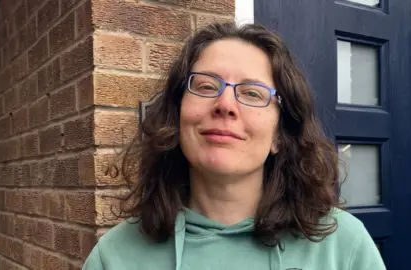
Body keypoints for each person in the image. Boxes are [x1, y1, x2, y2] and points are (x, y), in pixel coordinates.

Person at [83, 22, 386, 270]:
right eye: (205, 86)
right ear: (176, 118)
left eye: (253, 93)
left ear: (280, 135)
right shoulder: (114, 256)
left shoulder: (343, 246)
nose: (225, 104)